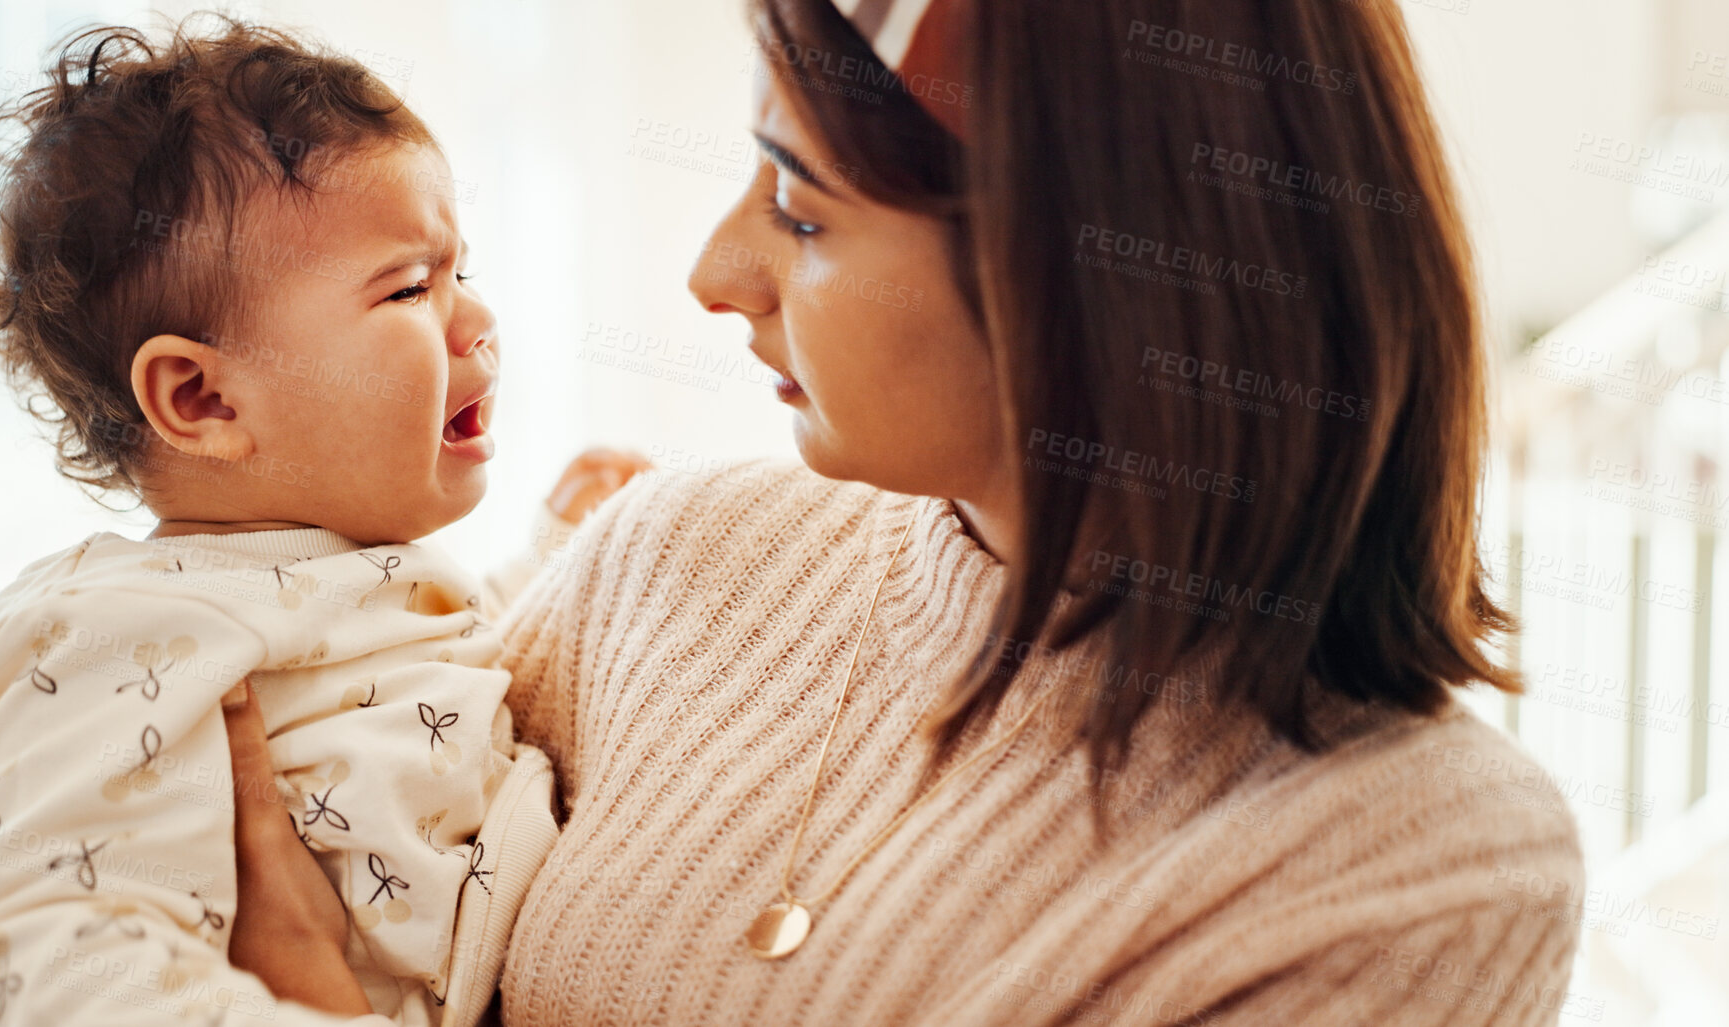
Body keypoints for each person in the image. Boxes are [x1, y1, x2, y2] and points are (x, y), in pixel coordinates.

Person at [225, 0, 1587, 1024]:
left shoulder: (1419, 871)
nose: (717, 272)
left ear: (1087, 275)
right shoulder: (665, 556)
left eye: (802, 214)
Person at [0, 17, 614, 1027]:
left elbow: (443, 678)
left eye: (460, 273)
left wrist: (561, 552)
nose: (475, 320)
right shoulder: (111, 635)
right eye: (410, 287)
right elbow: (60, 955)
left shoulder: (339, 578)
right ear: (206, 401)